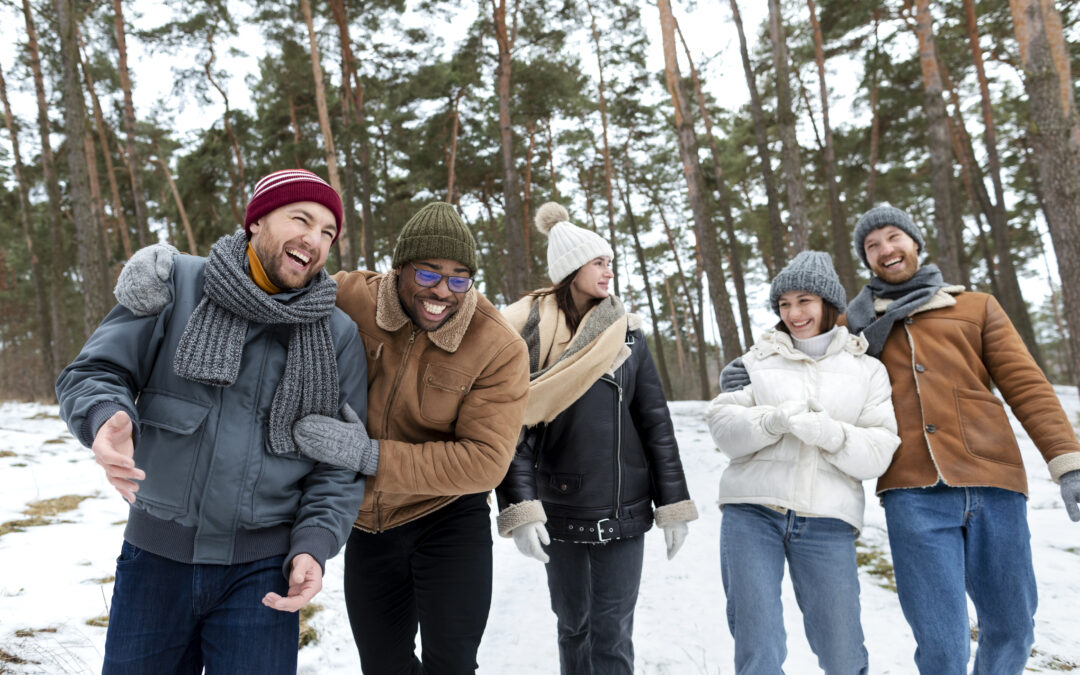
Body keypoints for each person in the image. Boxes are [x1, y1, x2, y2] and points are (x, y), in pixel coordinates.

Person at [721, 205, 1080, 673]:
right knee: (941, 639)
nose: (885, 249)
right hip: (913, 490)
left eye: (893, 237)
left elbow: (1026, 384)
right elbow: (803, 329)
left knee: (1013, 625)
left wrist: (1067, 461)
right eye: (872, 245)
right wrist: (751, 363)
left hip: (993, 480)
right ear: (867, 260)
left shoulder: (974, 306)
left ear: (915, 241)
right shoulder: (855, 323)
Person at [56, 169, 369, 674]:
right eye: (301, 219)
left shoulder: (336, 333)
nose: (315, 239)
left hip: (263, 572)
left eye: (328, 232)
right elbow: (96, 369)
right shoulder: (177, 284)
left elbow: (339, 463)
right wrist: (105, 416)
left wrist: (314, 544)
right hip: (155, 561)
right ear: (256, 222)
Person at [290, 202, 530, 674]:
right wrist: (177, 273)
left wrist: (369, 454)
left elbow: (485, 461)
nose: (443, 290)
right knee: (382, 665)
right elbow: (278, 282)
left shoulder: (498, 346)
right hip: (367, 523)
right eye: (428, 274)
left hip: (446, 517)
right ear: (398, 268)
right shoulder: (348, 296)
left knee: (453, 664)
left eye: (459, 278)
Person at [495, 202, 698, 675]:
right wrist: (521, 509)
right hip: (561, 508)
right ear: (571, 270)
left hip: (624, 510)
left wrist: (673, 507)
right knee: (573, 627)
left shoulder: (628, 336)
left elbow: (656, 426)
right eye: (599, 262)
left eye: (610, 261)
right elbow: (512, 428)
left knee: (612, 633)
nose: (609, 271)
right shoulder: (528, 338)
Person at [706, 251, 899, 674]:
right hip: (752, 513)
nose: (794, 313)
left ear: (829, 304)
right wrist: (772, 421)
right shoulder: (757, 361)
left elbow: (880, 449)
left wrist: (829, 433)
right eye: (784, 304)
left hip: (828, 520)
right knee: (759, 647)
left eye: (804, 301)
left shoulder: (867, 370)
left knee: (843, 652)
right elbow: (723, 425)